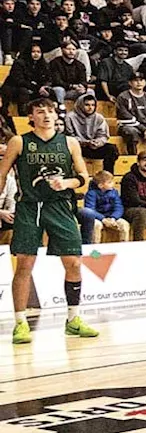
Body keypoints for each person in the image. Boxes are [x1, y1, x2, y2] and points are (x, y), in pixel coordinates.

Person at [0, 97, 99, 342]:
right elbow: (1, 175)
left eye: (50, 111)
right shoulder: (19, 142)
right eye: (39, 111)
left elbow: (84, 177)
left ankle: (73, 318)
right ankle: (20, 323)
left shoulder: (70, 143)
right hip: (29, 207)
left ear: (56, 115)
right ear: (30, 117)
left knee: (73, 262)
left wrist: (66, 182)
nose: (46, 115)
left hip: (61, 206)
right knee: (25, 264)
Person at [64, 92, 119, 174]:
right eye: (87, 105)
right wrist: (83, 142)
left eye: (93, 105)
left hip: (94, 146)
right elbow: (69, 135)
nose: (90, 108)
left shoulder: (99, 117)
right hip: (77, 146)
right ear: (80, 104)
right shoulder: (70, 117)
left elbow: (103, 135)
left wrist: (97, 142)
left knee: (112, 149)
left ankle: (107, 176)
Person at [114, 71, 146, 152]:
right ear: (130, 83)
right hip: (130, 126)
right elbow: (125, 117)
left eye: (141, 80)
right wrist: (144, 129)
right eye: (135, 80)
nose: (139, 82)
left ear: (145, 82)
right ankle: (133, 156)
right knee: (130, 132)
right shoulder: (123, 97)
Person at [78, 170, 129, 244]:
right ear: (101, 185)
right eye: (109, 182)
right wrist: (102, 219)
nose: (113, 184)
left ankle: (124, 246)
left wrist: (113, 217)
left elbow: (119, 207)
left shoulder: (114, 192)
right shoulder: (91, 194)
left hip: (111, 217)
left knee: (124, 224)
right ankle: (95, 248)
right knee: (96, 225)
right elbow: (90, 210)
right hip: (97, 218)